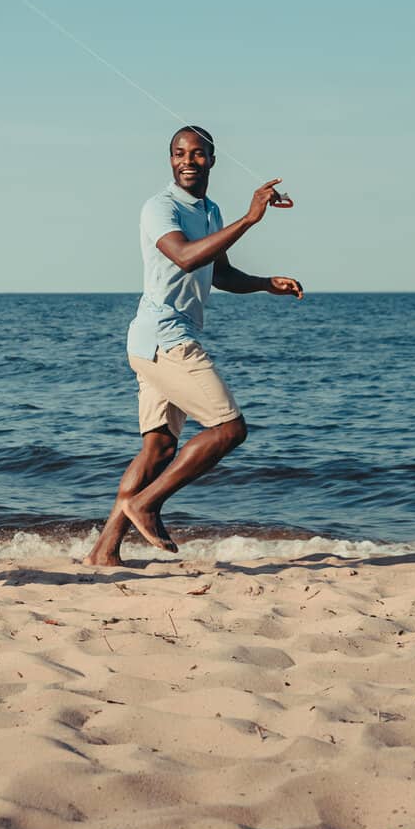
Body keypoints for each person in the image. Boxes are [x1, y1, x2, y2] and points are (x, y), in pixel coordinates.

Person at [87, 125, 302, 566]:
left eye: (198, 154)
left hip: (156, 340)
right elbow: (185, 256)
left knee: (159, 448)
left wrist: (265, 284)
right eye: (180, 154)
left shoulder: (209, 210)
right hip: (163, 337)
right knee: (229, 429)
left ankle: (103, 551)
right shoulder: (158, 208)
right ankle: (146, 504)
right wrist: (250, 218)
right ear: (170, 160)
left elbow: (218, 272)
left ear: (212, 160)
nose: (189, 161)